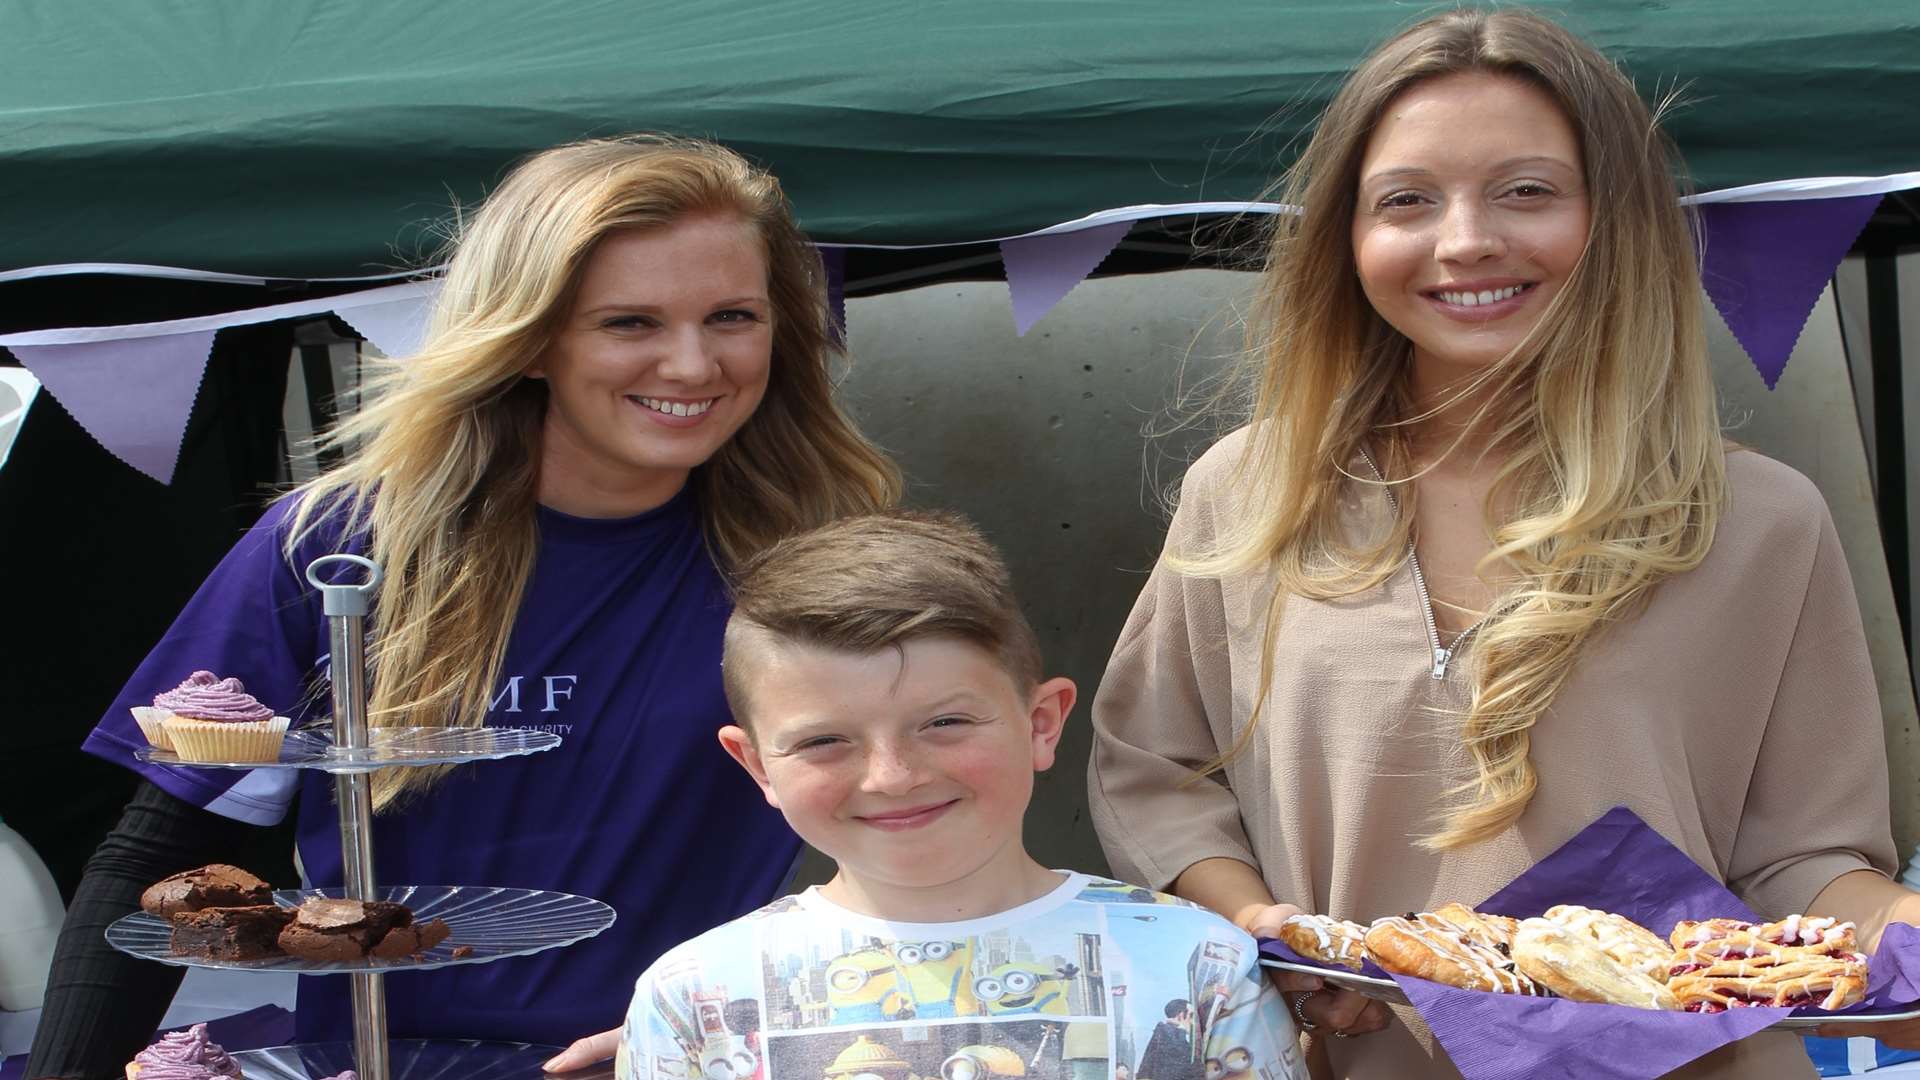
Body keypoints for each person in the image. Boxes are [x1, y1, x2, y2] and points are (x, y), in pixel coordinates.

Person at [1086, 9, 1920, 1080]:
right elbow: (1153, 772)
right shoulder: (1249, 492)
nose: (1467, 239)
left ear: (1612, 218)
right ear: (1347, 236)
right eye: (1406, 200)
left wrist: (1900, 927)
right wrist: (1275, 931)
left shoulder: (1760, 520)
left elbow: (1803, 859)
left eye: (1527, 190)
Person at [27, 134, 900, 1078]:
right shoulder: (339, 549)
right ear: (528, 339)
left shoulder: (827, 556)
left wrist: (740, 1018)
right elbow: (166, 852)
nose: (692, 366)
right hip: (374, 1059)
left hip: (686, 1057)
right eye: (630, 323)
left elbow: (915, 819)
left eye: (731, 316)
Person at [614, 511, 1309, 1080]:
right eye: (825, 741)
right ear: (757, 764)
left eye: (944, 723)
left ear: (1041, 724)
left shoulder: (1201, 968)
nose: (892, 775)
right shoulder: (691, 997)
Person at [1134, 1000, 1200, 1080]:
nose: (1193, 1022)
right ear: (1180, 1015)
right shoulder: (1168, 1035)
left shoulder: (1165, 1035)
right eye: (1191, 1015)